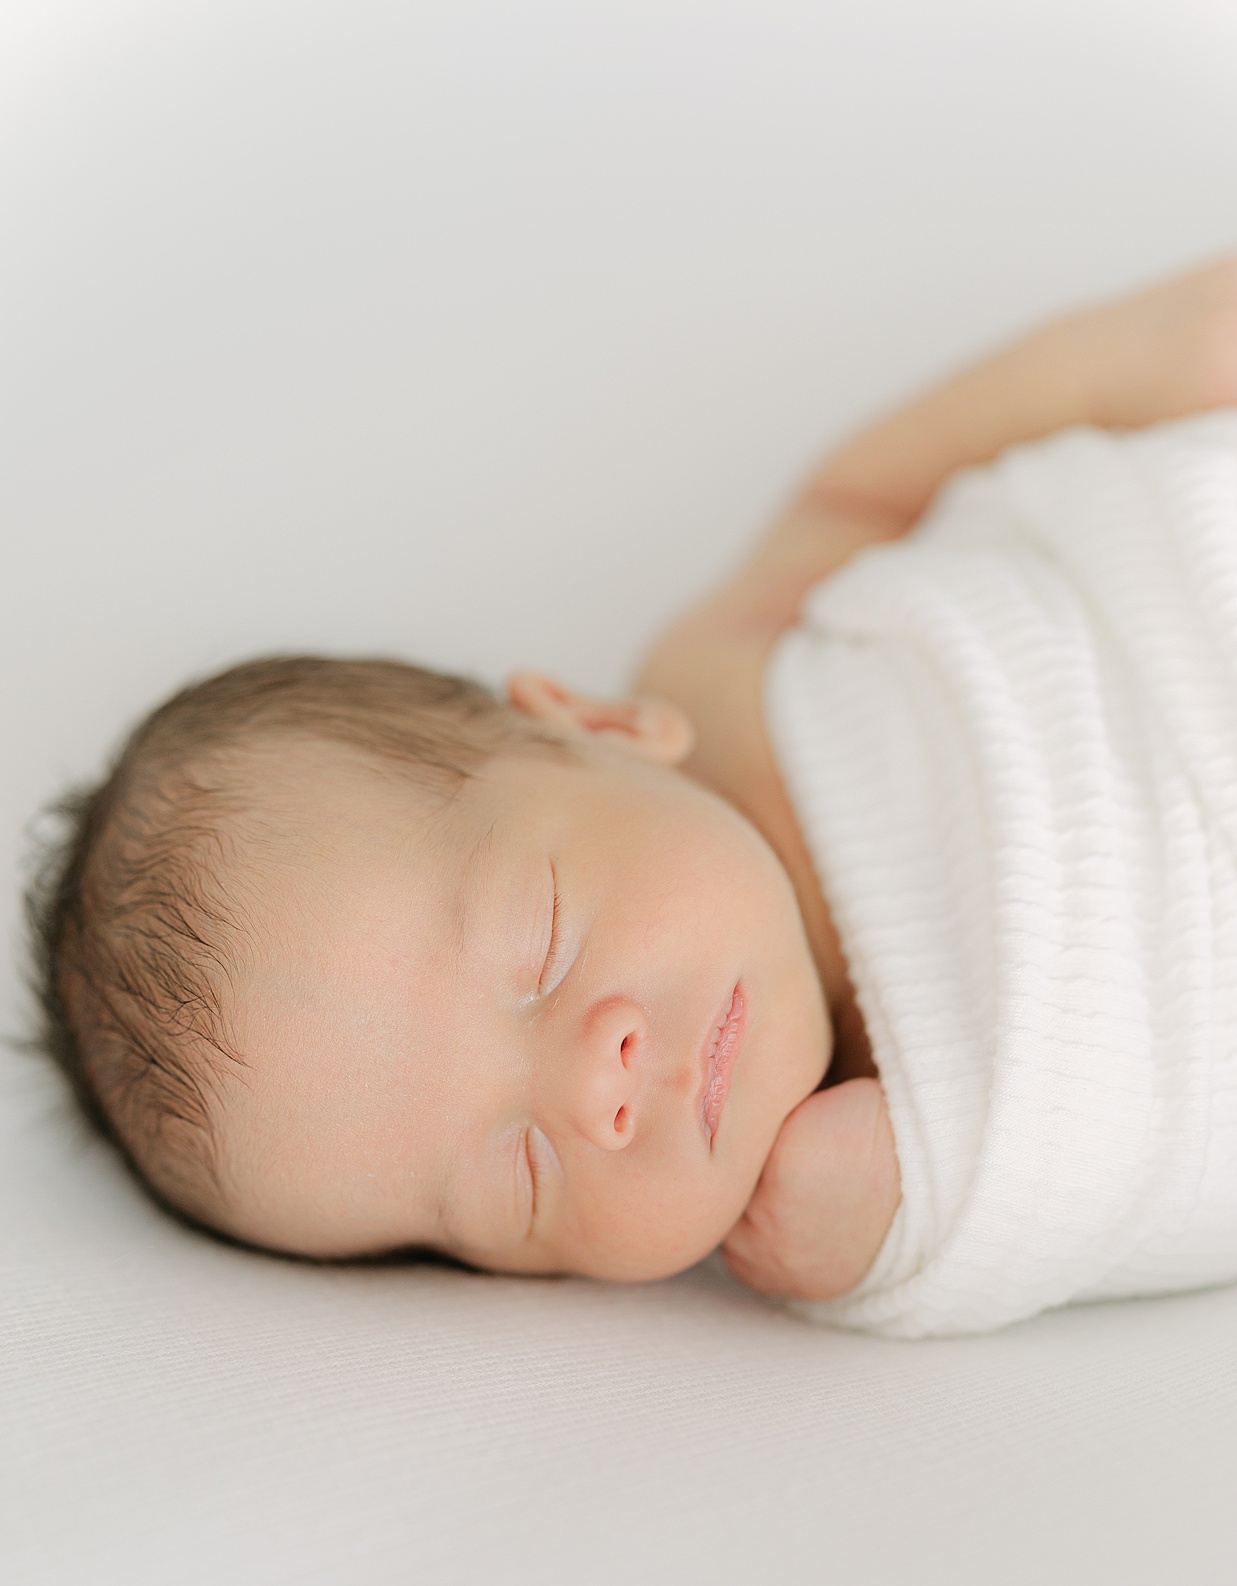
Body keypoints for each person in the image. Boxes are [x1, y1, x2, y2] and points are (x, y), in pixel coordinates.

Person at [29, 254, 1237, 1335]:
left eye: (543, 936)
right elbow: (1172, 1165)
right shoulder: (873, 1174)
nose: (595, 1086)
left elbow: (873, 488)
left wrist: (1165, 345)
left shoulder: (713, 680)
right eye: (517, 1180)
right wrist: (927, 1227)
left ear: (598, 727)